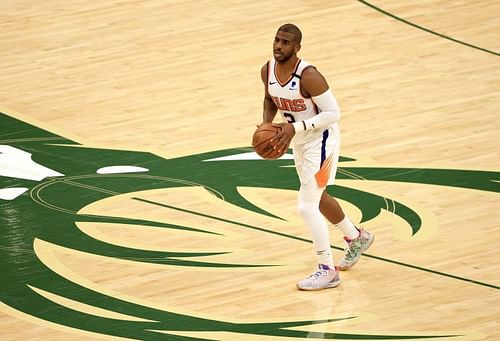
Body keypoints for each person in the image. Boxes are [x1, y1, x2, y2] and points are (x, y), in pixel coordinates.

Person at [260, 23, 374, 291]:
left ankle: (327, 270)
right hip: (298, 140)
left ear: (297, 48)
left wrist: (294, 127)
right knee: (318, 197)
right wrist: (266, 125)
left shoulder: (309, 76)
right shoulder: (267, 70)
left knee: (306, 205)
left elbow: (333, 113)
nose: (279, 45)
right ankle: (356, 237)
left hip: (321, 141)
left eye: (286, 42)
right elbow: (269, 98)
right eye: (277, 40)